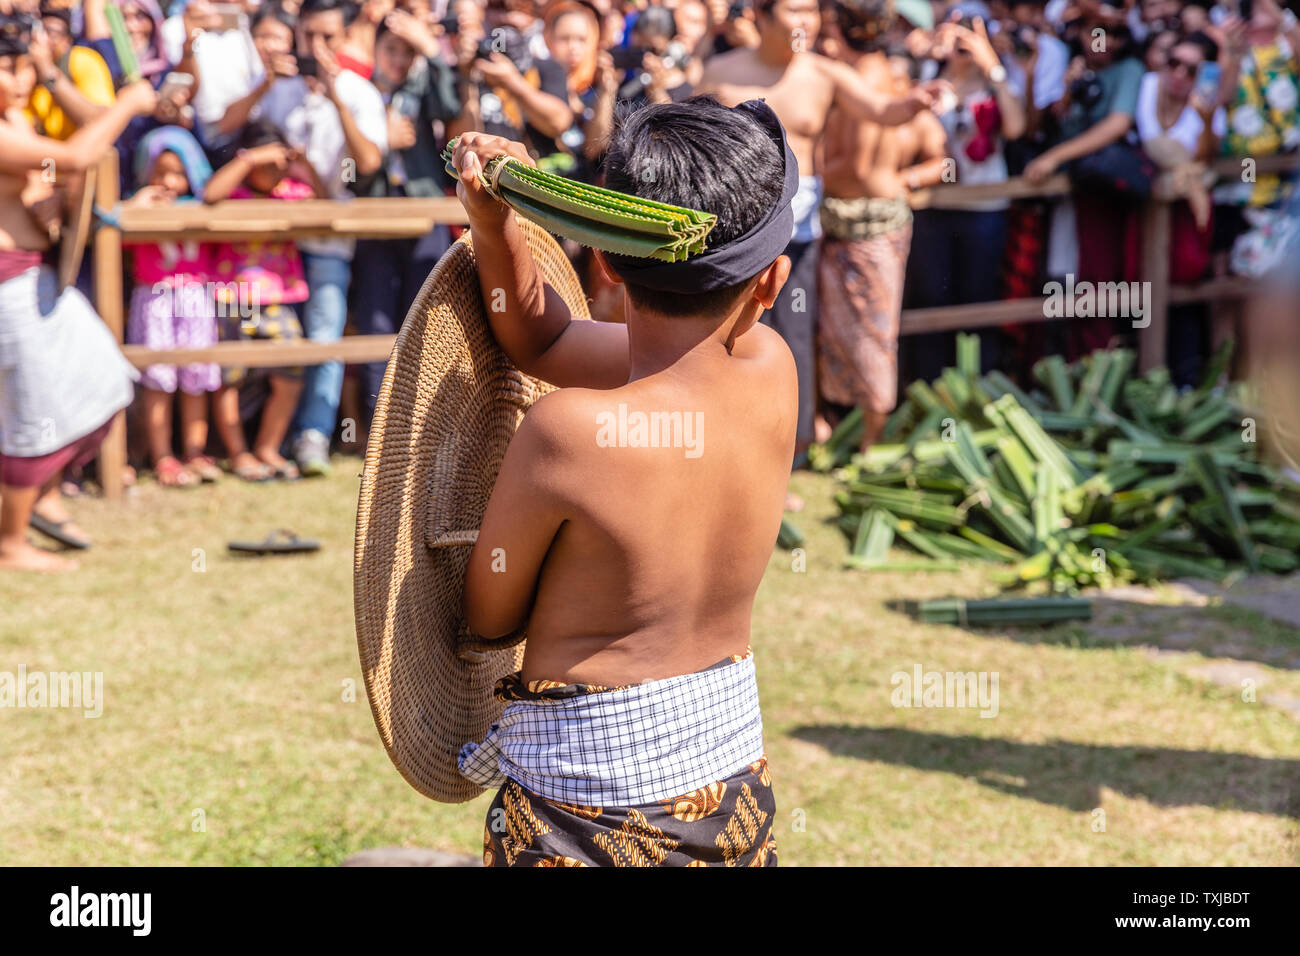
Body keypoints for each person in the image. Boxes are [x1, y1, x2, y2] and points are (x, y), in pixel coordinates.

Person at [451, 97, 796, 866]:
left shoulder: (567, 434)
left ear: (603, 265)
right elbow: (542, 338)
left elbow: (488, 615)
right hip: (731, 800)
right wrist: (500, 222)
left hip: (582, 823)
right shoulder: (772, 368)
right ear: (771, 283)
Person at [698, 0, 943, 464]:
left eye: (812, 11)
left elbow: (882, 110)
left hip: (799, 234)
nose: (806, 21)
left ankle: (791, 449)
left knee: (793, 339)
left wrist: (916, 101)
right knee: (730, 337)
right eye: (794, 10)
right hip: (734, 230)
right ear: (762, 16)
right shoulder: (720, 73)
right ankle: (727, 447)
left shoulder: (823, 73)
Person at [0, 15, 157, 570]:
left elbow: (47, 178)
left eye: (23, 69)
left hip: (30, 274)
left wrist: (45, 206)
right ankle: (10, 544)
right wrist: (130, 102)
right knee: (32, 412)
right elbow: (74, 157)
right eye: (8, 69)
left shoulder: (11, 118)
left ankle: (40, 499)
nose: (20, 81)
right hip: (6, 286)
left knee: (106, 377)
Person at [252, 0, 388, 475]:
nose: (316, 47)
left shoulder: (361, 93)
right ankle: (262, 436)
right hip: (272, 244)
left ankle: (312, 435)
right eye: (308, 36)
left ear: (347, 37)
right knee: (272, 339)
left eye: (328, 37)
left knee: (325, 334)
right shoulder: (277, 91)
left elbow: (369, 163)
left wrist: (334, 99)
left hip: (332, 240)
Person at [818, 0, 949, 451]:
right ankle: (841, 427)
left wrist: (803, 170)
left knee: (873, 335)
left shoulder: (867, 79)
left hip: (869, 222)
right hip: (851, 219)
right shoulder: (871, 74)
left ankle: (871, 440)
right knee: (842, 331)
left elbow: (855, 165)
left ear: (840, 26)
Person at [350, 9, 464, 425]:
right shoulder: (357, 94)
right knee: (376, 319)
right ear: (374, 49)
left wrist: (431, 50)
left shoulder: (421, 93)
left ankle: (422, 427)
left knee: (425, 317)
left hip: (424, 211)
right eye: (391, 49)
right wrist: (382, 138)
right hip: (375, 216)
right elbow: (352, 169)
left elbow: (450, 102)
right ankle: (379, 428)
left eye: (407, 52)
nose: (398, 60)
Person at [204, 121, 323, 481]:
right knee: (230, 376)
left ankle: (267, 448)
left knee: (291, 372)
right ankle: (238, 453)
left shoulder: (288, 193)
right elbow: (209, 195)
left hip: (278, 299)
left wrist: (303, 163)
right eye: (266, 164)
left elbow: (318, 199)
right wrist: (249, 159)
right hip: (234, 297)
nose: (274, 171)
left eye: (279, 163)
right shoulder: (233, 195)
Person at [122, 125, 223, 488]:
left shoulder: (204, 207)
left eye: (178, 173)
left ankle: (194, 452)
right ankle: (162, 456)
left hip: (196, 297)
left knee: (196, 378)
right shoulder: (140, 207)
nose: (169, 181)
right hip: (156, 299)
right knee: (158, 380)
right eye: (160, 172)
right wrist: (139, 203)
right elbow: (115, 227)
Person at [24, 0, 114, 139]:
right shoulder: (22, 66)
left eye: (51, 32)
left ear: (67, 40)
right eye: (39, 30)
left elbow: (101, 122)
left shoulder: (83, 60)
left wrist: (46, 70)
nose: (43, 39)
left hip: (77, 151)